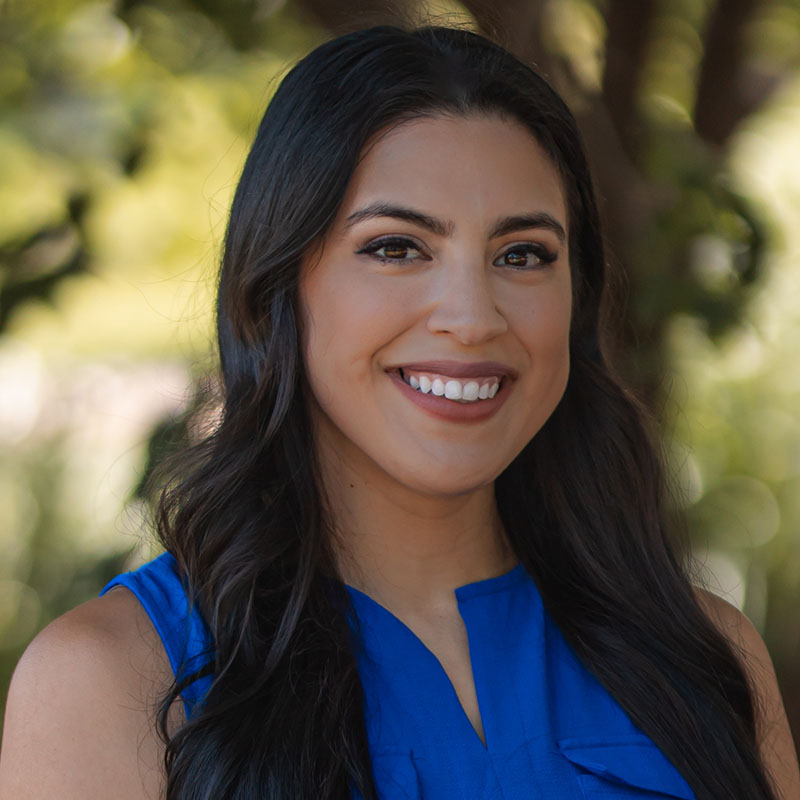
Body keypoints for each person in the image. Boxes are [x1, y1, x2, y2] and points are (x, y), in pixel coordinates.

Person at [0, 23, 798, 800]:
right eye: (396, 247)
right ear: (280, 287)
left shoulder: (705, 660)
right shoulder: (115, 682)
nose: (473, 316)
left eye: (522, 255)